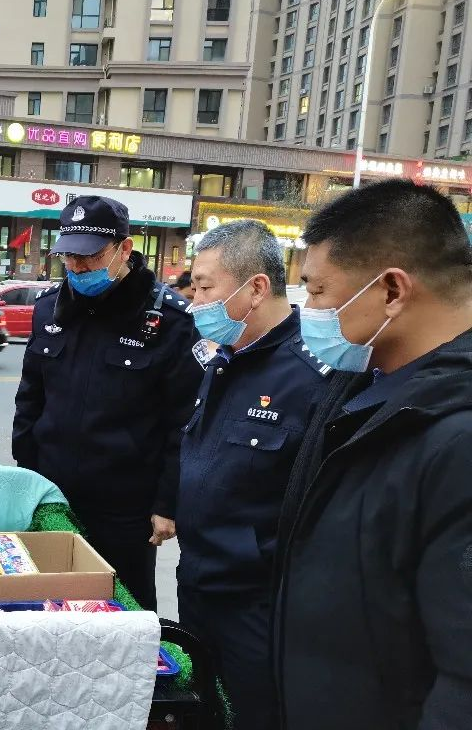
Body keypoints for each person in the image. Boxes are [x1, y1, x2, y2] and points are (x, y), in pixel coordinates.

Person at [275, 179, 472, 729]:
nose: (309, 310)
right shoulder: (362, 382)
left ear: (391, 290)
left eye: (318, 291)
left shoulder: (456, 438)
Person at [175, 221, 331, 729]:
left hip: (256, 603)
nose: (195, 303)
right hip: (198, 582)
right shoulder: (224, 357)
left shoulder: (313, 374)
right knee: (201, 709)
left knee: (254, 715)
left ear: (256, 288)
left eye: (205, 288)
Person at [13, 196, 203, 610]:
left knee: (125, 611)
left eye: (90, 256)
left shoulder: (170, 322)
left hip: (125, 507)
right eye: (69, 257)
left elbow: (183, 422)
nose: (78, 267)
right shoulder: (50, 309)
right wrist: (26, 478)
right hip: (53, 495)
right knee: (50, 606)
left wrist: (167, 503)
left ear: (124, 249)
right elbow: (30, 399)